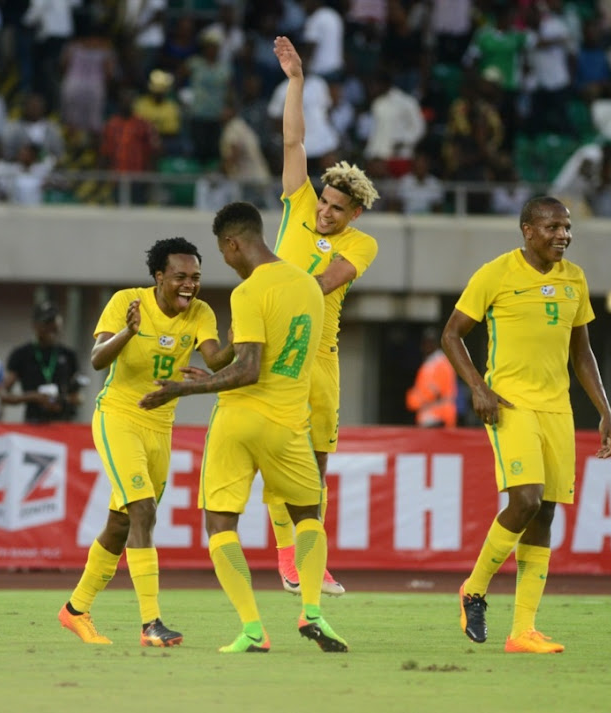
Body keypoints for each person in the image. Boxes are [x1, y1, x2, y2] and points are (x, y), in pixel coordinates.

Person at [139, 201, 347, 654]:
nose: (226, 261)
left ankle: (253, 629)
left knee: (220, 523)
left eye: (223, 252)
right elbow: (278, 355)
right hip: (291, 422)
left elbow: (249, 368)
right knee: (308, 516)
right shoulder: (310, 288)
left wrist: (188, 389)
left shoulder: (249, 292)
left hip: (240, 420)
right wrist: (214, 370)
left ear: (233, 243)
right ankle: (312, 613)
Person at [441, 195, 611, 654]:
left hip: (558, 409)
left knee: (545, 513)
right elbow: (452, 333)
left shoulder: (574, 279)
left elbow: (582, 353)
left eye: (567, 227)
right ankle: (474, 589)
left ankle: (522, 631)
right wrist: (478, 388)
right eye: (554, 227)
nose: (564, 235)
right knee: (525, 500)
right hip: (511, 404)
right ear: (528, 230)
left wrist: (604, 410)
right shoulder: (495, 273)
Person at [58, 236, 234, 647]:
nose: (189, 284)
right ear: (159, 277)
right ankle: (150, 623)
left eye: (195, 277)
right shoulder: (127, 302)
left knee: (123, 522)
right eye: (180, 277)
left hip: (160, 427)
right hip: (118, 416)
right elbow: (98, 358)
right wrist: (128, 332)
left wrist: (238, 342)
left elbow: (213, 359)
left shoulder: (201, 312)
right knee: (143, 508)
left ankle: (75, 610)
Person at [266, 36, 380, 597]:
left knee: (316, 463)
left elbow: (325, 284)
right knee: (277, 453)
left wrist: (279, 288)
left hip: (322, 359)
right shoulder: (298, 207)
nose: (325, 213)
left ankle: (312, 561)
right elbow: (294, 139)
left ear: (353, 212)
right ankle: (288, 557)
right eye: (323, 203)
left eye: (337, 209)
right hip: (275, 355)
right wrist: (296, 82)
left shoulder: (362, 245)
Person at [0, 301, 85, 424]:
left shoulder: (68, 355)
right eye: (46, 323)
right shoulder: (22, 354)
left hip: (63, 424)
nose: (51, 328)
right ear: (35, 325)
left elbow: (78, 398)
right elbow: (4, 394)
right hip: (34, 424)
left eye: (53, 323)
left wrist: (61, 400)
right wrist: (34, 397)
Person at [405, 326, 457, 428]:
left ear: (435, 343)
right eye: (425, 342)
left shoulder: (440, 363)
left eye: (429, 342)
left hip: (438, 418)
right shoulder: (430, 362)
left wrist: (413, 399)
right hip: (429, 417)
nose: (425, 346)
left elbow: (433, 392)